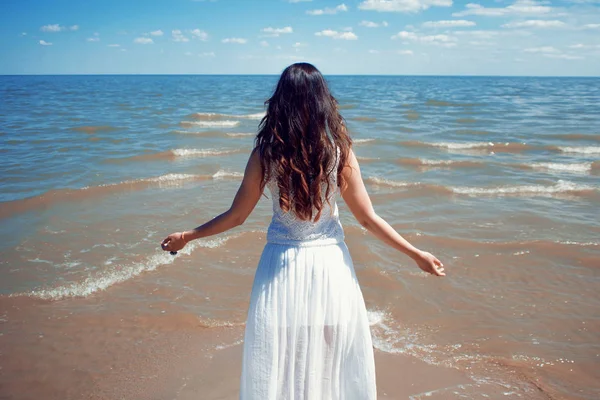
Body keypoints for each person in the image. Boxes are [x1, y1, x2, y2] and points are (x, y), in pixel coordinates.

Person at [160, 62, 445, 400]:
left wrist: (189, 236)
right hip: (330, 268)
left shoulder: (267, 153)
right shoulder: (339, 152)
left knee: (280, 355)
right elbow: (367, 219)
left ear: (281, 101)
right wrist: (416, 254)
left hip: (280, 267)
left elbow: (237, 216)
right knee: (329, 357)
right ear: (322, 100)